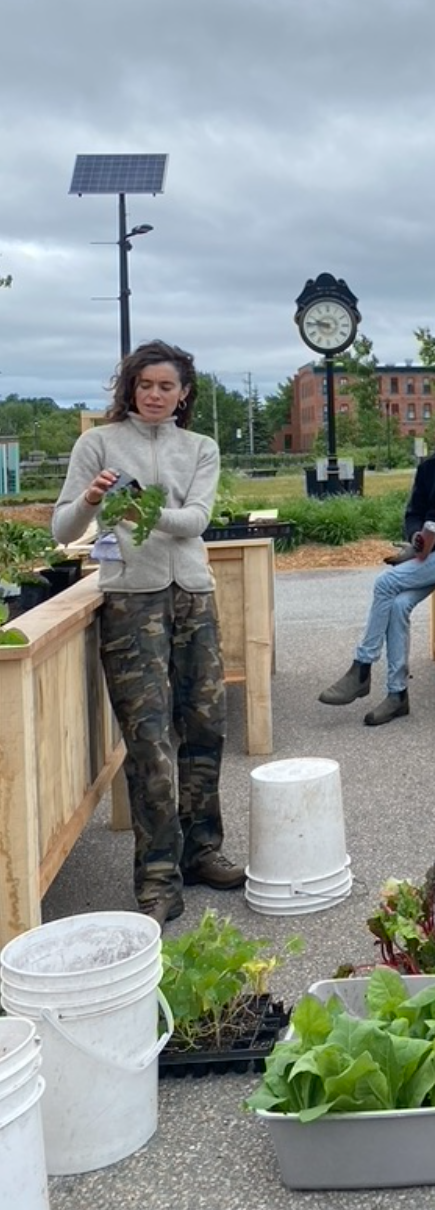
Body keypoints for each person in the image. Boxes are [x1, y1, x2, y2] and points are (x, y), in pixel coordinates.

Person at [52, 340, 245, 927]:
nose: (156, 395)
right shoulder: (99, 444)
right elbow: (64, 528)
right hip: (130, 604)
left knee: (207, 727)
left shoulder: (201, 447)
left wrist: (138, 506)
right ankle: (157, 877)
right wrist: (91, 500)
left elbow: (196, 522)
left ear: (185, 393)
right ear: (130, 389)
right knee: (150, 741)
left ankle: (202, 850)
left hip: (193, 596)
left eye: (168, 386)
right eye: (146, 385)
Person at [319, 399, 435, 725]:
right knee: (398, 604)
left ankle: (362, 667)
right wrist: (417, 537)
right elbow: (414, 512)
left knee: (385, 583)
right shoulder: (428, 467)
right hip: (429, 551)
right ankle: (397, 694)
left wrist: (432, 541)